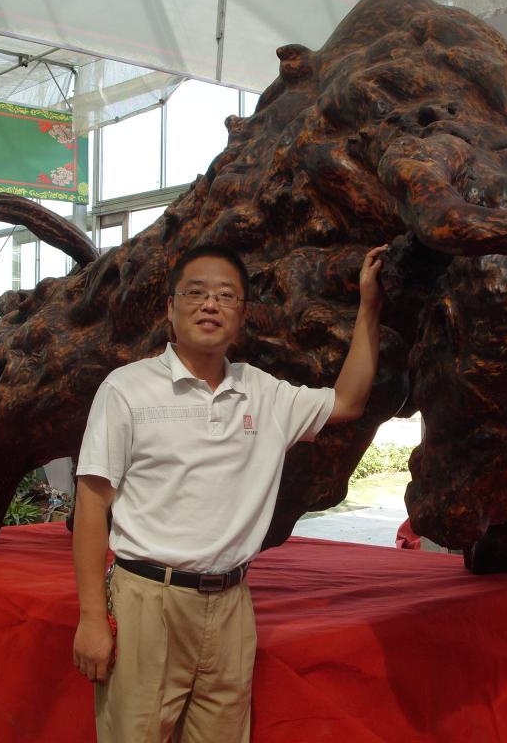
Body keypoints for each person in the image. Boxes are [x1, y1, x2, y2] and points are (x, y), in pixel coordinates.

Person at [71, 243, 387, 742]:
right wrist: (92, 617)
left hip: (231, 605)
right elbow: (92, 503)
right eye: (195, 293)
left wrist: (369, 306)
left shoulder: (263, 393)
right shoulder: (126, 389)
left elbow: (348, 400)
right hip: (147, 603)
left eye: (225, 296)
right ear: (170, 309)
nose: (210, 305)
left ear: (242, 315)